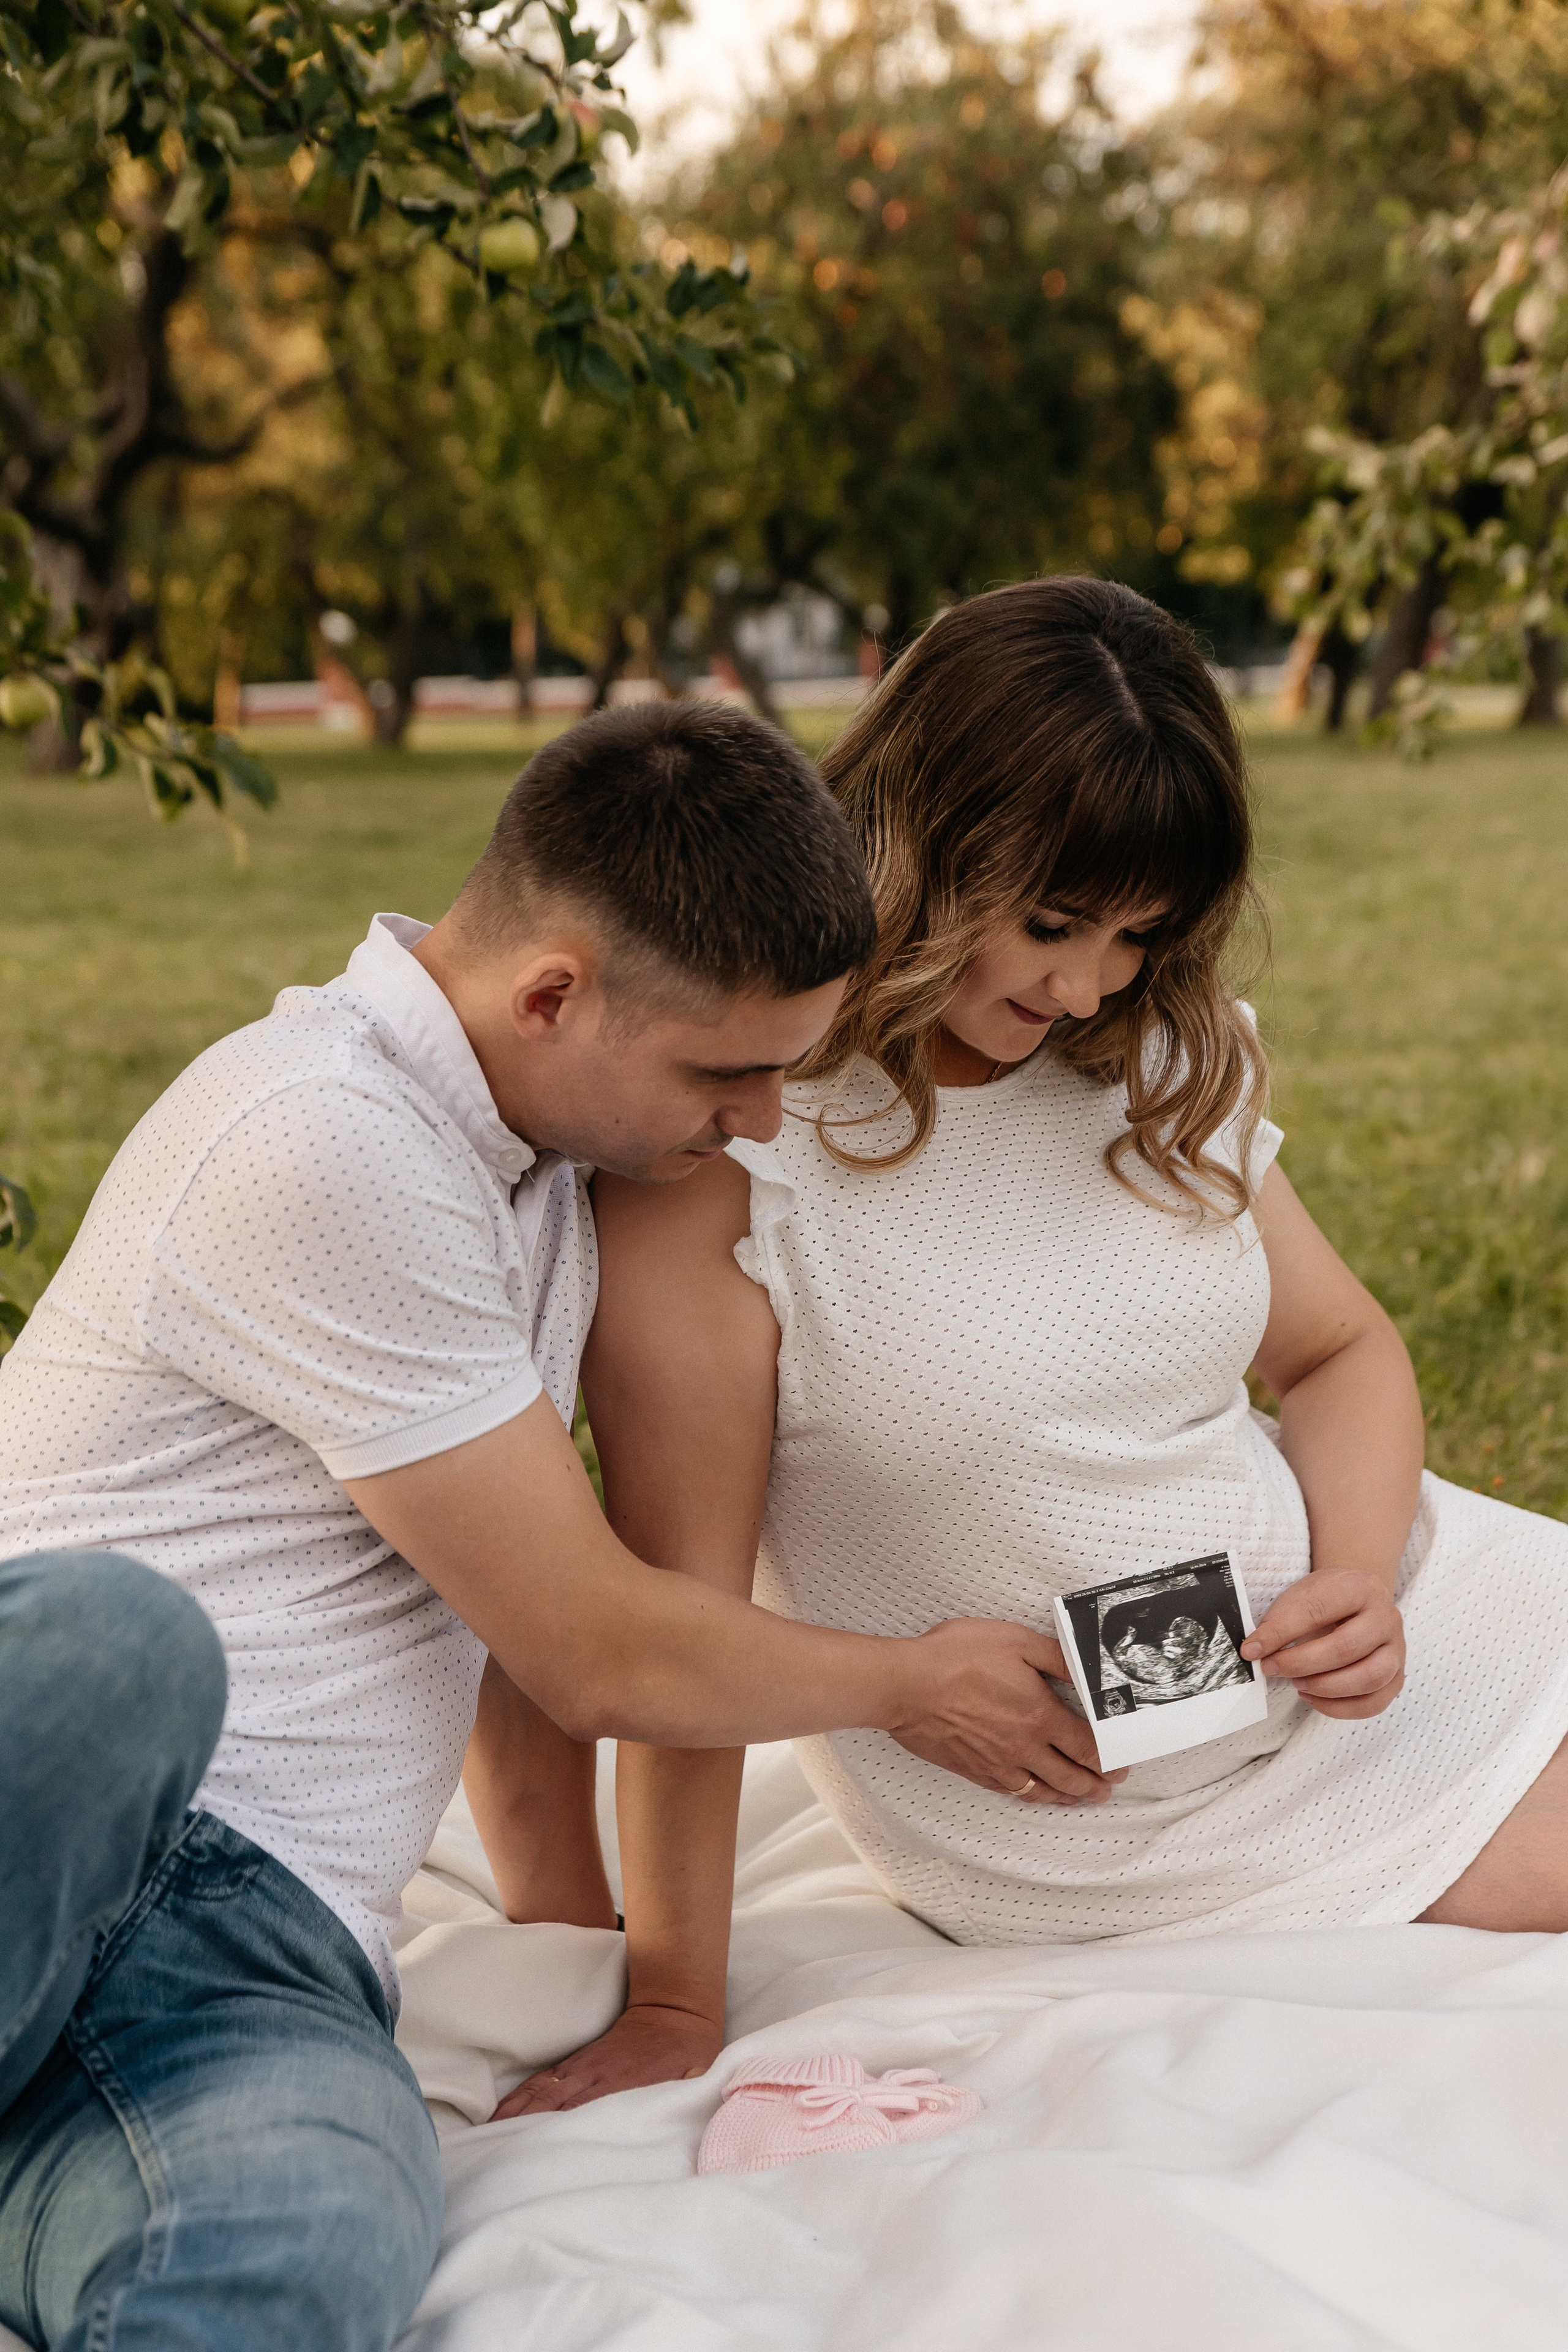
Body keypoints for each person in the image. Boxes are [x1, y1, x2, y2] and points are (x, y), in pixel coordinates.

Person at [0, 701, 1071, 2352]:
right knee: (122, 1648)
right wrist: (913, 1683)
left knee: (321, 2224)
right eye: (734, 1071)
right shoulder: (314, 1135)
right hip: (61, 1802)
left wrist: (590, 1949)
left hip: (252, 1953)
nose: (767, 1122)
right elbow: (587, 1642)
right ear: (552, 993)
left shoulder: (541, 1163)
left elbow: (501, 1610)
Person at [500, 575, 1568, 2120]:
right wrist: (671, 1996)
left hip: (1386, 1638)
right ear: (916, 848)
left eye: (1138, 933)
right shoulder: (734, 1146)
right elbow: (682, 1611)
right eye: (1051, 925)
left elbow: (1338, 1353)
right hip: (1109, 1816)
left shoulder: (1147, 1056)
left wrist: (1347, 1571)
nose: (1085, 986)